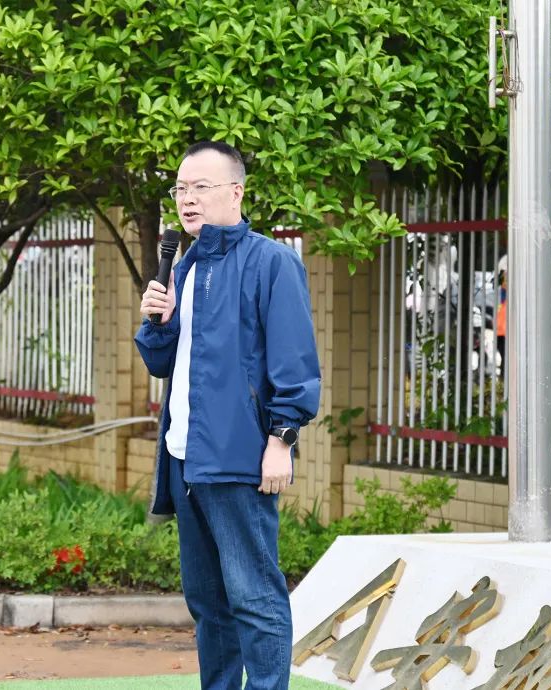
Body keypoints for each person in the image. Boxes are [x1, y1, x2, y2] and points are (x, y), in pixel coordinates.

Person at [134, 141, 322, 690]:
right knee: (208, 603)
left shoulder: (272, 262)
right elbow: (163, 363)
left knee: (254, 597)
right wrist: (158, 322)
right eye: (180, 189)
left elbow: (294, 362)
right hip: (184, 457)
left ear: (236, 192)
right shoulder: (185, 266)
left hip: (240, 460)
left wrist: (281, 438)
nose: (187, 199)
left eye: (201, 187)